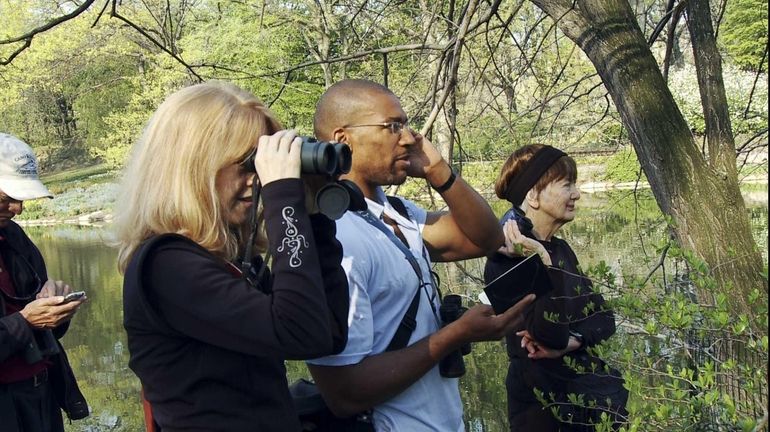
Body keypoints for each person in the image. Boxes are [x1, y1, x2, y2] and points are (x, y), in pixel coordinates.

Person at [116, 81, 350, 431]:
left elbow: (326, 335)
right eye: (247, 163)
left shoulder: (231, 262)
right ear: (193, 166)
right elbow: (298, 332)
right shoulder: (166, 266)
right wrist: (283, 198)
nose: (257, 180)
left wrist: (313, 213)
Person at [306, 79, 534, 431]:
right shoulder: (334, 237)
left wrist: (437, 171)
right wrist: (456, 334)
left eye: (407, 124)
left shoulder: (398, 212)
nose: (410, 137)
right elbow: (343, 392)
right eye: (392, 126)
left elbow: (486, 238)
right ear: (342, 140)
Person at [485, 144, 628, 431]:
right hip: (543, 409)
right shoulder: (507, 258)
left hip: (584, 397)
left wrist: (571, 342)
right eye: (566, 185)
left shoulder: (560, 249)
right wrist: (543, 261)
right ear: (533, 196)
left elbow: (604, 320)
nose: (576, 193)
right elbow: (546, 334)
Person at [0, 133, 89, 432]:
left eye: (20, 199)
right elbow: (26, 324)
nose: (18, 209)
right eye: (7, 198)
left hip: (41, 395)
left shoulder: (14, 237)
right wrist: (26, 321)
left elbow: (49, 332)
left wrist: (55, 309)